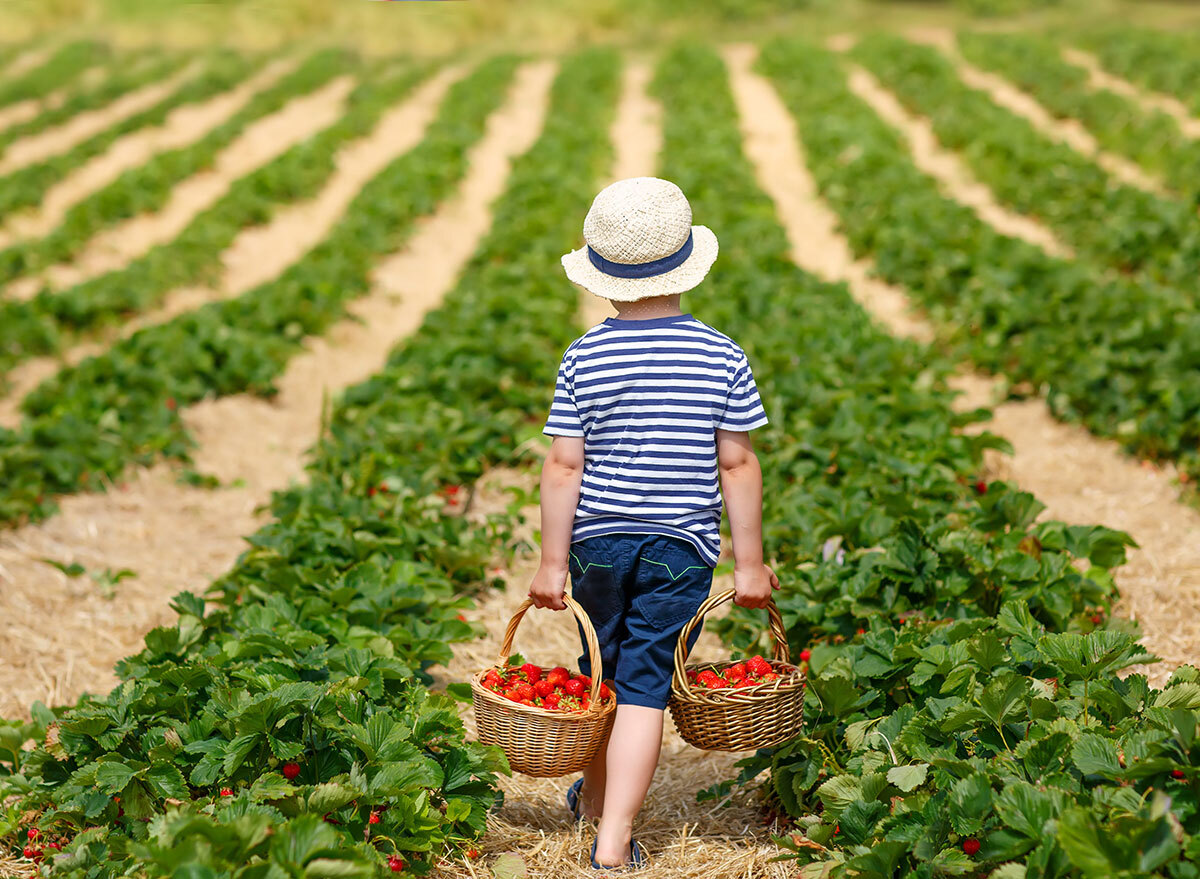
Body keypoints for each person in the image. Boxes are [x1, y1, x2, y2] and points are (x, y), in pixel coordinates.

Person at [528, 176, 778, 870]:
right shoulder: (721, 354)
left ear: (604, 276)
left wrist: (552, 561)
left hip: (596, 546)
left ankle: (597, 802)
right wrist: (748, 563)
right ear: (686, 266)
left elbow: (562, 466)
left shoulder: (585, 355)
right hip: (679, 548)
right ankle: (613, 841)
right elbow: (737, 465)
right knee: (643, 689)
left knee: (598, 677)